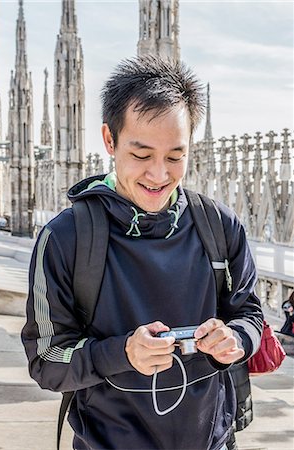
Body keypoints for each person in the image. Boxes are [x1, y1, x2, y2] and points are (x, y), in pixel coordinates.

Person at [21, 55, 263, 450]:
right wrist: (121, 353)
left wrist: (234, 338)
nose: (158, 174)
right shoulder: (67, 238)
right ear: (110, 141)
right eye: (141, 154)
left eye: (175, 157)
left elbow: (250, 315)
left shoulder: (219, 225)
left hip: (212, 441)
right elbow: (47, 361)